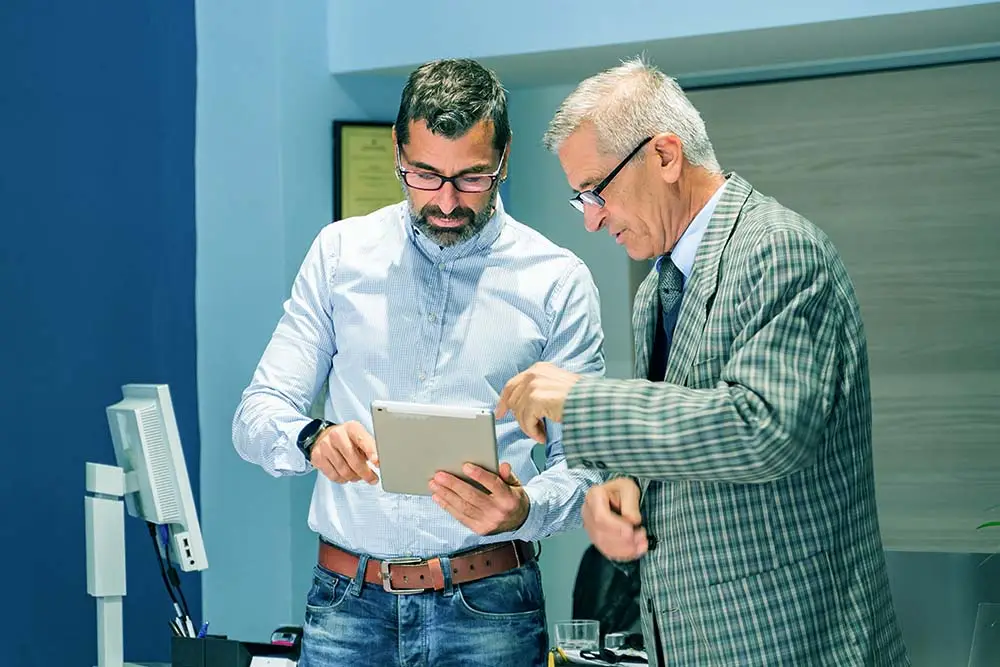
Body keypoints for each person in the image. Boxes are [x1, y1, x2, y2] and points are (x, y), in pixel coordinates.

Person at [496, 57, 909, 666]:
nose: (592, 220)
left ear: (665, 156)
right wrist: (621, 486)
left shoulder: (780, 250)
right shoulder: (655, 291)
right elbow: (683, 438)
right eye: (580, 198)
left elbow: (763, 430)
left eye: (597, 191)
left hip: (793, 645)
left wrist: (579, 400)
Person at [232, 58, 605, 667]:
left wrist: (526, 507)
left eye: (473, 177)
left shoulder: (557, 281)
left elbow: (586, 465)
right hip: (348, 604)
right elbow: (256, 415)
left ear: (504, 157)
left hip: (490, 608)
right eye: (425, 175)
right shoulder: (340, 255)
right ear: (397, 152)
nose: (447, 201)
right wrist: (312, 439)